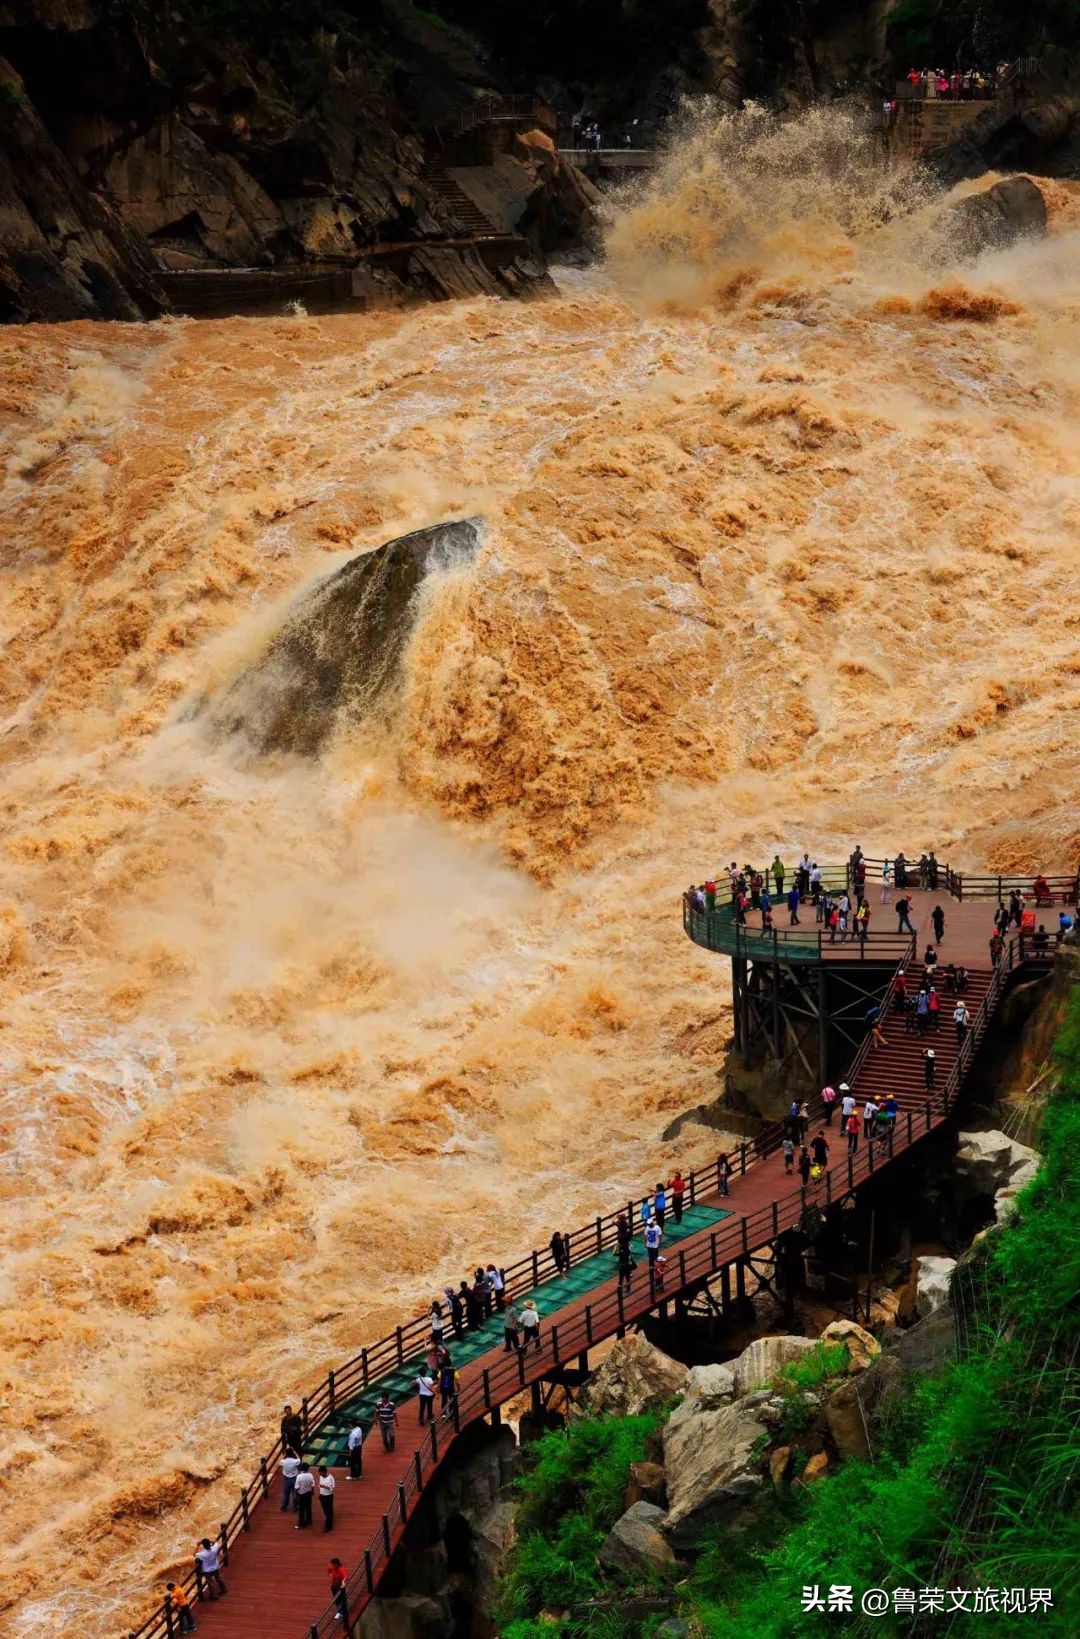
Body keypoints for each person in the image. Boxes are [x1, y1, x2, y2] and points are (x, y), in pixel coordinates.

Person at [293, 1464, 315, 1530]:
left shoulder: (299, 1476)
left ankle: (300, 1523)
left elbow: (297, 1487)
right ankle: (309, 1521)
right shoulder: (310, 1475)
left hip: (301, 1494)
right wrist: (312, 1492)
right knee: (308, 1508)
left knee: (301, 1509)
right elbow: (313, 1485)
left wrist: (296, 1493)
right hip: (308, 1493)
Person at [328, 1558, 350, 1625]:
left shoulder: (341, 1569)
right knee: (336, 1599)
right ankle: (339, 1612)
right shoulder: (331, 1567)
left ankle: (344, 1611)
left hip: (340, 1587)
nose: (332, 1566)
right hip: (334, 1587)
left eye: (334, 1565)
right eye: (332, 1564)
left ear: (337, 1564)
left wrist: (343, 1581)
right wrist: (331, 1576)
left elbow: (346, 1576)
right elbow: (329, 1570)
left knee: (342, 1599)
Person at [318, 1466, 336, 1533]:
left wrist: (325, 1486)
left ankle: (328, 1526)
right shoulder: (321, 1477)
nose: (320, 1474)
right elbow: (320, 1486)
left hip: (328, 1496)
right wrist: (320, 1494)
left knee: (329, 1510)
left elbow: (332, 1489)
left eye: (321, 1473)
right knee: (325, 1510)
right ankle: (329, 1520)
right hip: (322, 1496)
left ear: (325, 1472)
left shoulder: (330, 1478)